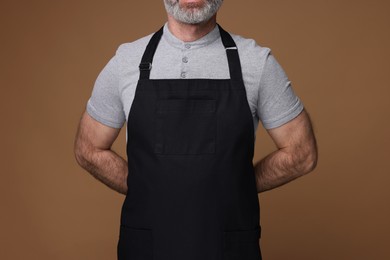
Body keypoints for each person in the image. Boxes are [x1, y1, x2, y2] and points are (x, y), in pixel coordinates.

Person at [74, 0, 318, 259]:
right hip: (148, 248)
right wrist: (148, 186)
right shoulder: (127, 61)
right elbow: (88, 148)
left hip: (227, 250)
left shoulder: (256, 63)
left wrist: (236, 184)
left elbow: (302, 153)